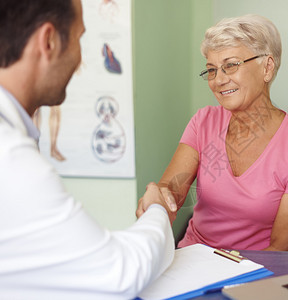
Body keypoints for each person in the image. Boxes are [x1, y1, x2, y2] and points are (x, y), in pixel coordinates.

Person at [0, 0, 177, 298]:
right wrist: (158, 208)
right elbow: (119, 274)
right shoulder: (13, 161)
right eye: (80, 38)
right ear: (49, 41)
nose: (80, 58)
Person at [137, 14, 288, 251]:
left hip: (252, 274)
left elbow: (281, 251)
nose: (218, 80)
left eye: (231, 65)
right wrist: (159, 200)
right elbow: (174, 190)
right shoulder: (203, 122)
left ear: (267, 67)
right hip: (192, 259)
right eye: (212, 70)